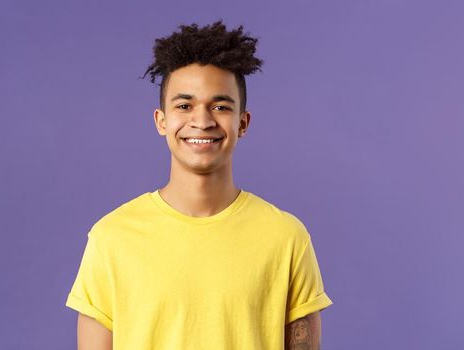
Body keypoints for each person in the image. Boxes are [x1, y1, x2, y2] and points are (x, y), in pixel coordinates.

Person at [65, 20, 333, 349]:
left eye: (220, 106)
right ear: (161, 121)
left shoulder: (287, 239)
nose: (202, 121)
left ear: (243, 123)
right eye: (184, 106)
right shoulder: (111, 239)